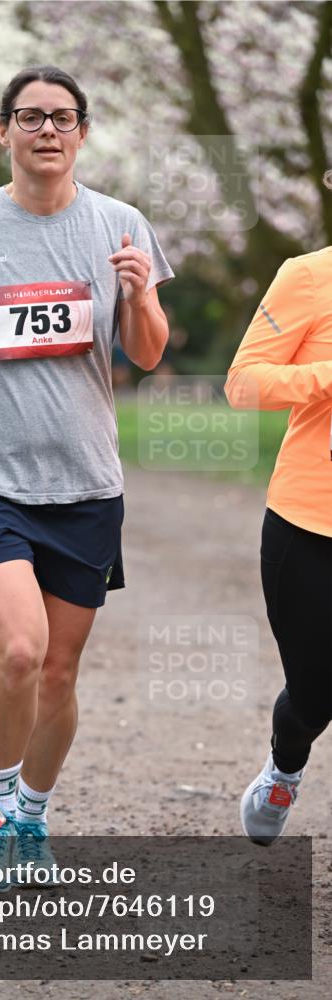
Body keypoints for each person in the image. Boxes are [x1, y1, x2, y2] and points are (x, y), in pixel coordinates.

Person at [0, 66, 173, 888]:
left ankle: (31, 819)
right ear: (3, 130)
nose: (46, 130)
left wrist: (136, 296)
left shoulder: (120, 225)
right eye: (29, 117)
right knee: (19, 651)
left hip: (84, 483)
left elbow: (148, 352)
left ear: (82, 133)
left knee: (60, 670)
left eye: (62, 118)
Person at [225, 181, 331, 845]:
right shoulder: (307, 276)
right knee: (315, 693)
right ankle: (283, 767)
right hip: (307, 524)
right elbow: (244, 383)